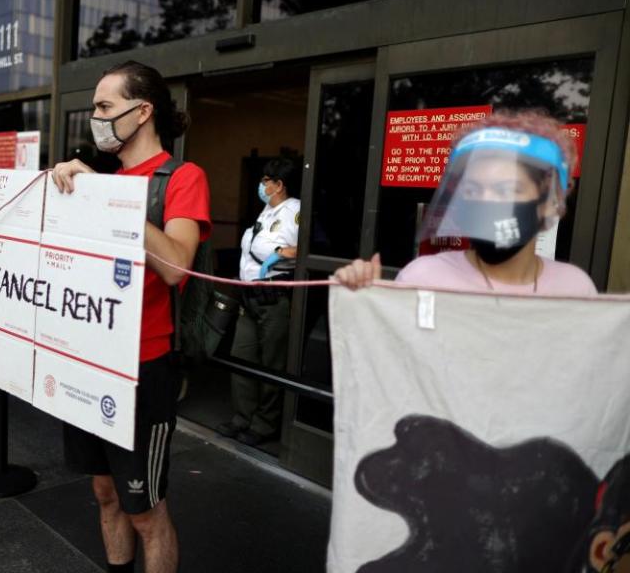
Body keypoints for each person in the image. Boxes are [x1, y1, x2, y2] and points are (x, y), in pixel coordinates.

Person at [0, 60, 211, 573]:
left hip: (143, 370)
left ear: (143, 111)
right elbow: (46, 281)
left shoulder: (180, 177)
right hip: (88, 363)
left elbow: (177, 267)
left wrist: (111, 202)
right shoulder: (102, 182)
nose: (96, 118)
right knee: (104, 493)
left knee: (145, 509)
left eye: (105, 107)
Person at [334, 110, 596, 296]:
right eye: (471, 190)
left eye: (506, 190)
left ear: (550, 202)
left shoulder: (574, 289)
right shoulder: (423, 278)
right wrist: (363, 300)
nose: (486, 202)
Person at [217, 158, 300, 446]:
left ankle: (265, 424)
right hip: (248, 295)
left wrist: (278, 253)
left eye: (266, 181)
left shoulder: (294, 211)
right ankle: (242, 417)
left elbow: (301, 251)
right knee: (242, 357)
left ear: (279, 185)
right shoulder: (267, 211)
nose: (262, 186)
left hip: (273, 296)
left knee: (271, 363)